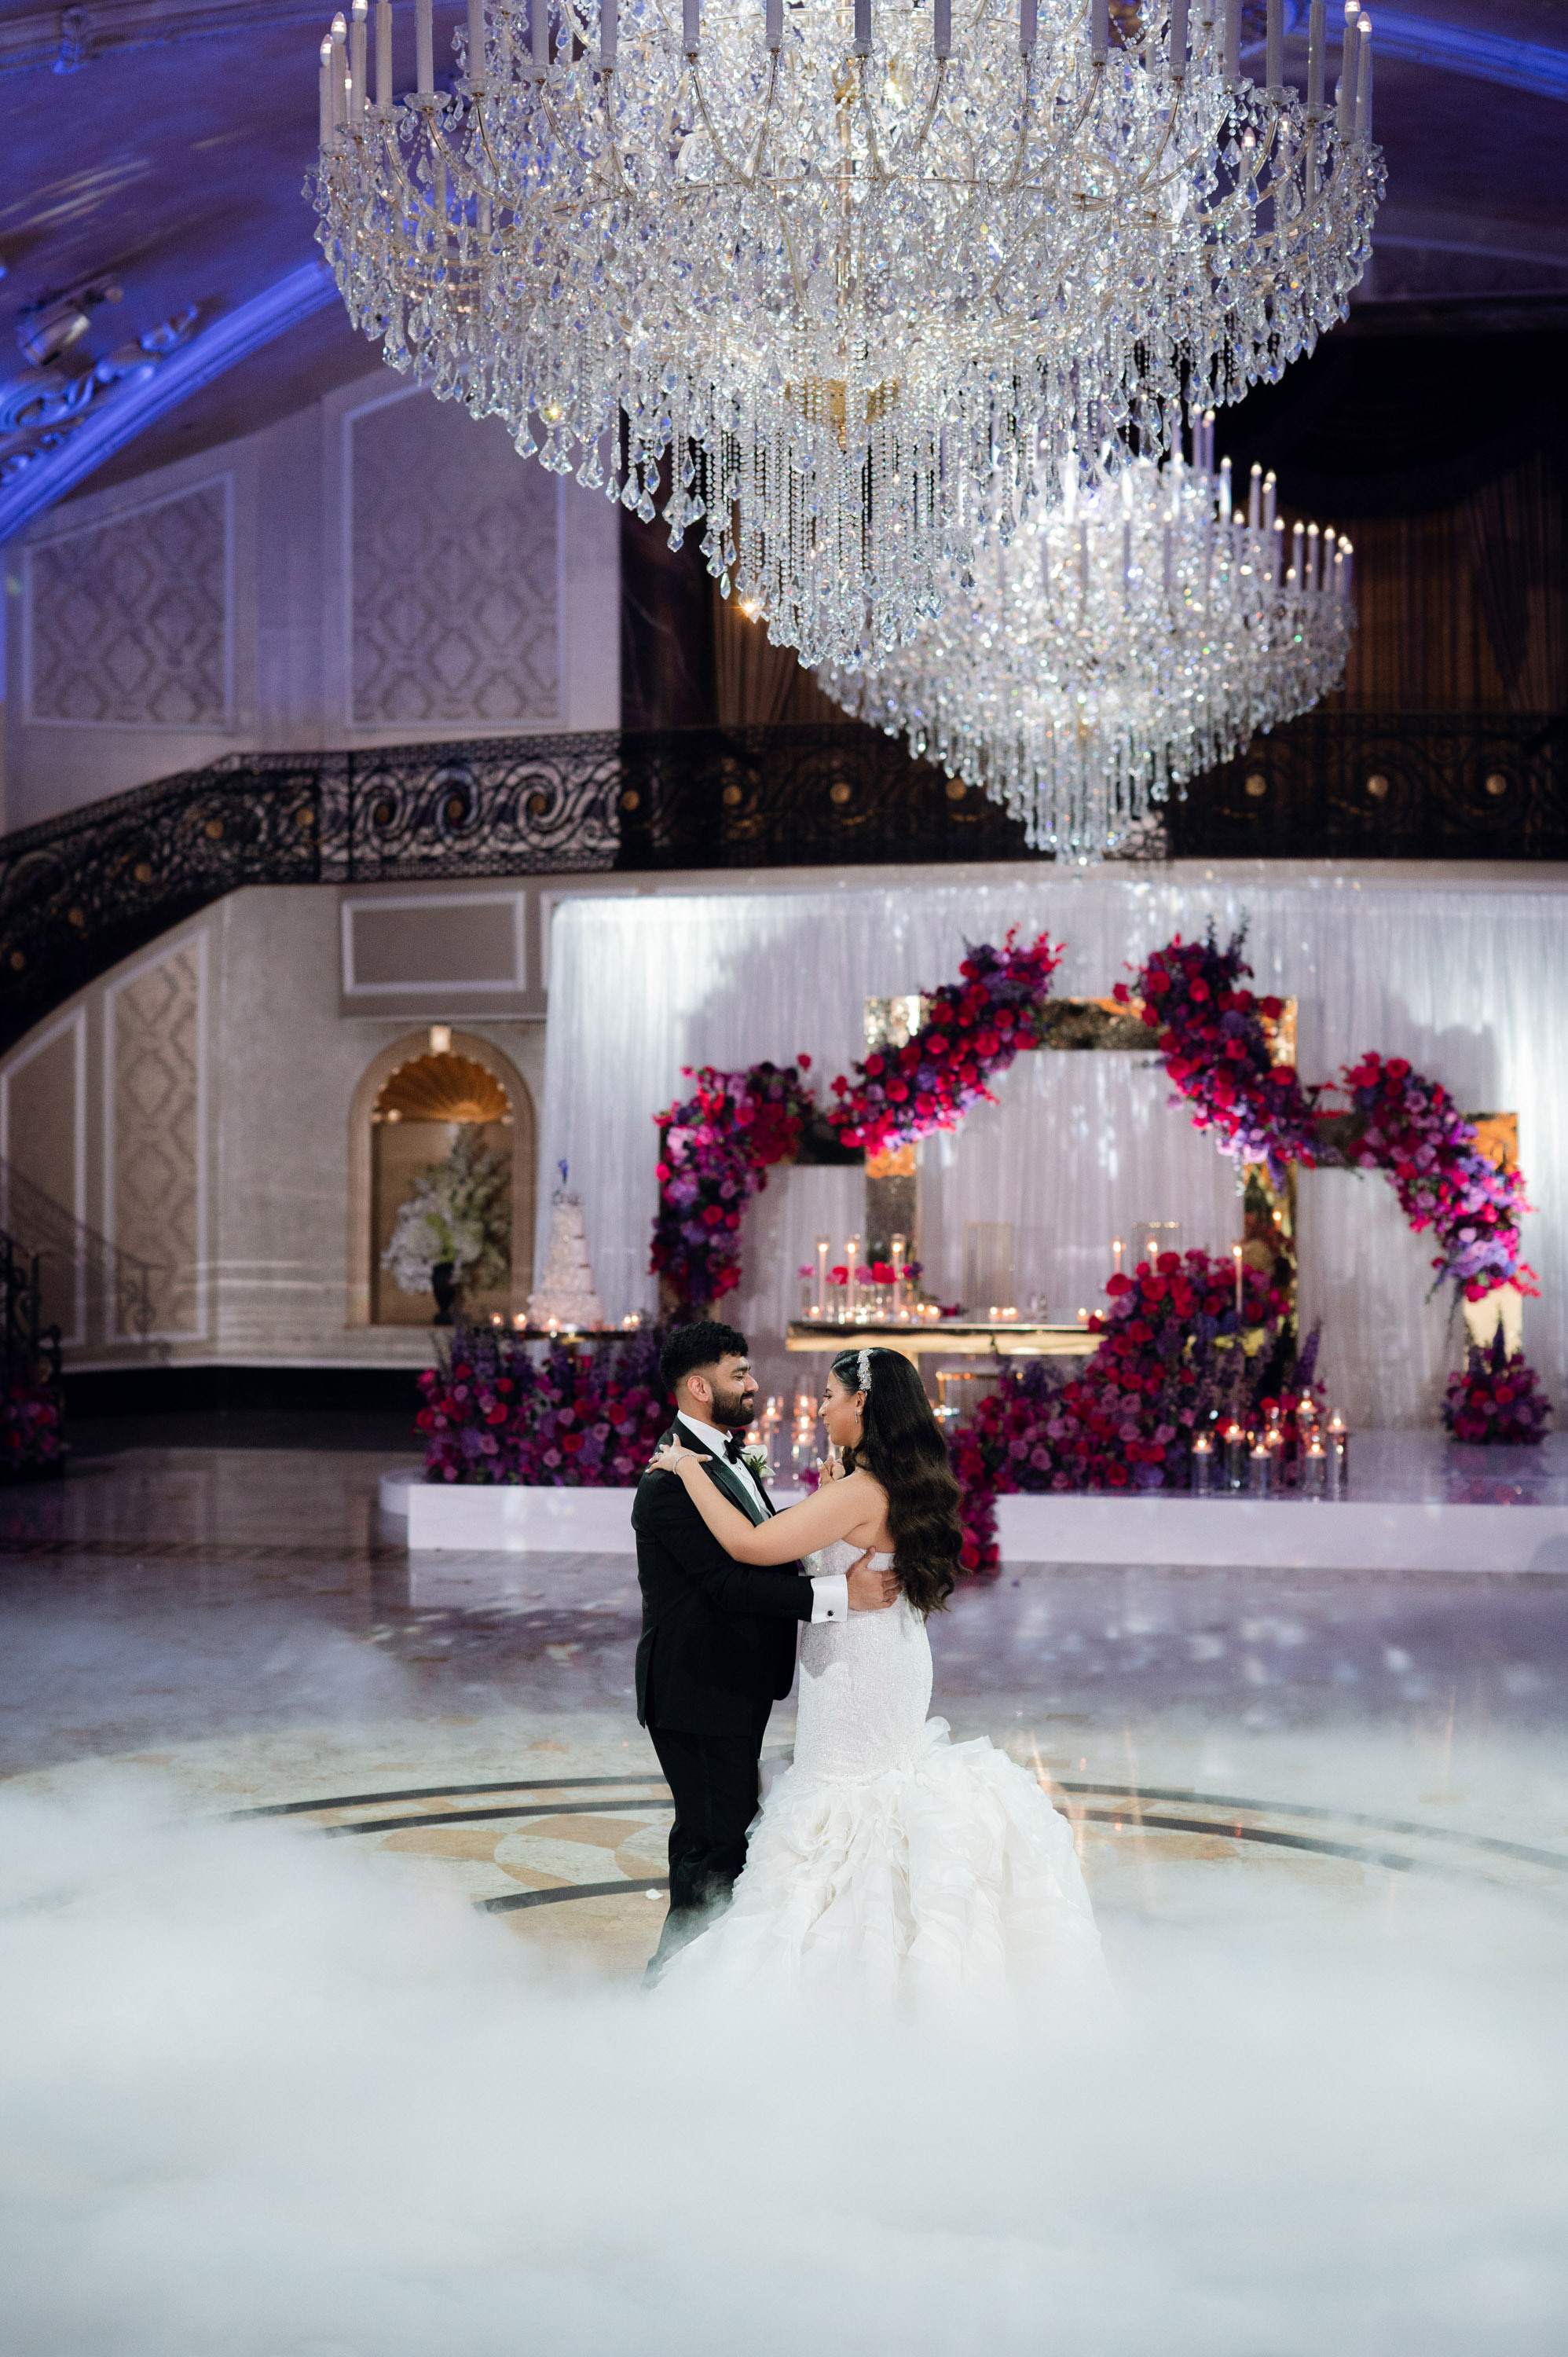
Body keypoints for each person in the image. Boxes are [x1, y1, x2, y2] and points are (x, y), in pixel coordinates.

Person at [646, 1343, 1108, 2016]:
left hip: (860, 1666)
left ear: (861, 1402)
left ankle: (846, 1990)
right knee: (870, 1798)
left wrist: (687, 1469)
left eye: (830, 1395)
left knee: (850, 1802)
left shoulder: (861, 1492)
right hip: (881, 1653)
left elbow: (752, 1547)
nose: (822, 1406)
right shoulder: (875, 1483)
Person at [632, 1321, 899, 1982]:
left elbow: (775, 1547)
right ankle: (671, 1989)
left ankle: (712, 1983)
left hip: (736, 1685)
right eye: (738, 1375)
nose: (754, 1385)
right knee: (710, 1845)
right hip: (697, 1689)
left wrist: (825, 1516)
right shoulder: (669, 1481)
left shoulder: (725, 1458)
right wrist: (840, 1595)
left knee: (728, 1835)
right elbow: (727, 1583)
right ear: (699, 1387)